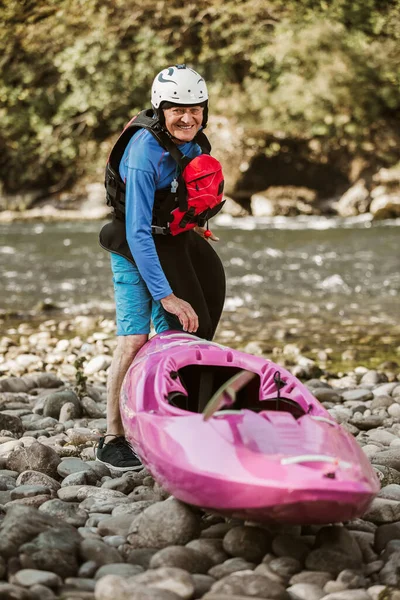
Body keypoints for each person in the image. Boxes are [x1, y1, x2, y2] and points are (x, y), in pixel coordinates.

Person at [96, 65, 226, 471]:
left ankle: (171, 416)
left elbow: (180, 194)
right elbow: (137, 231)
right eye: (176, 109)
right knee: (135, 337)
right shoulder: (143, 152)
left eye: (195, 108)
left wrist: (197, 226)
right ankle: (112, 437)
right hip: (133, 243)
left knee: (189, 324)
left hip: (171, 237)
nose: (187, 117)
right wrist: (165, 295)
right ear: (160, 108)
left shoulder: (192, 142)